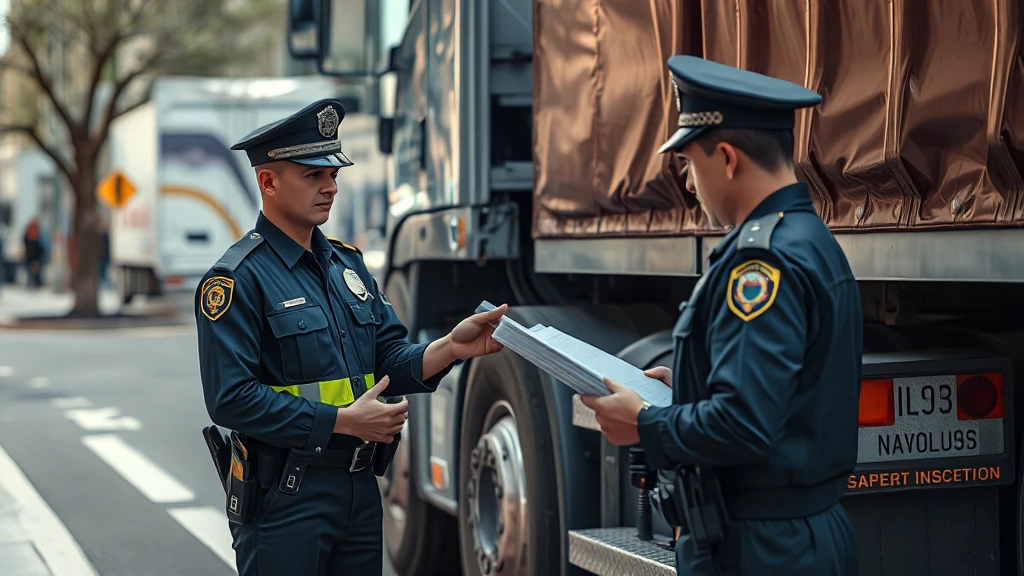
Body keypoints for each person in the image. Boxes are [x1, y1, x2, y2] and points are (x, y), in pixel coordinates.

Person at [195, 98, 508, 576]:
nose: (331, 187)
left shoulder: (347, 264)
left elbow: (388, 360)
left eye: (334, 174)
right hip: (286, 499)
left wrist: (451, 347)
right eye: (314, 176)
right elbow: (231, 399)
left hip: (359, 492)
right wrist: (341, 422)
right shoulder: (237, 280)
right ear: (268, 182)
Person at [579, 55, 863, 575]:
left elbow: (744, 424)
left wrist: (645, 424)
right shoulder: (809, 239)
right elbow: (782, 397)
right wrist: (685, 386)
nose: (688, 184)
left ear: (727, 157)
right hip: (792, 536)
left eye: (689, 163)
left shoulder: (761, 264)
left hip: (762, 549)